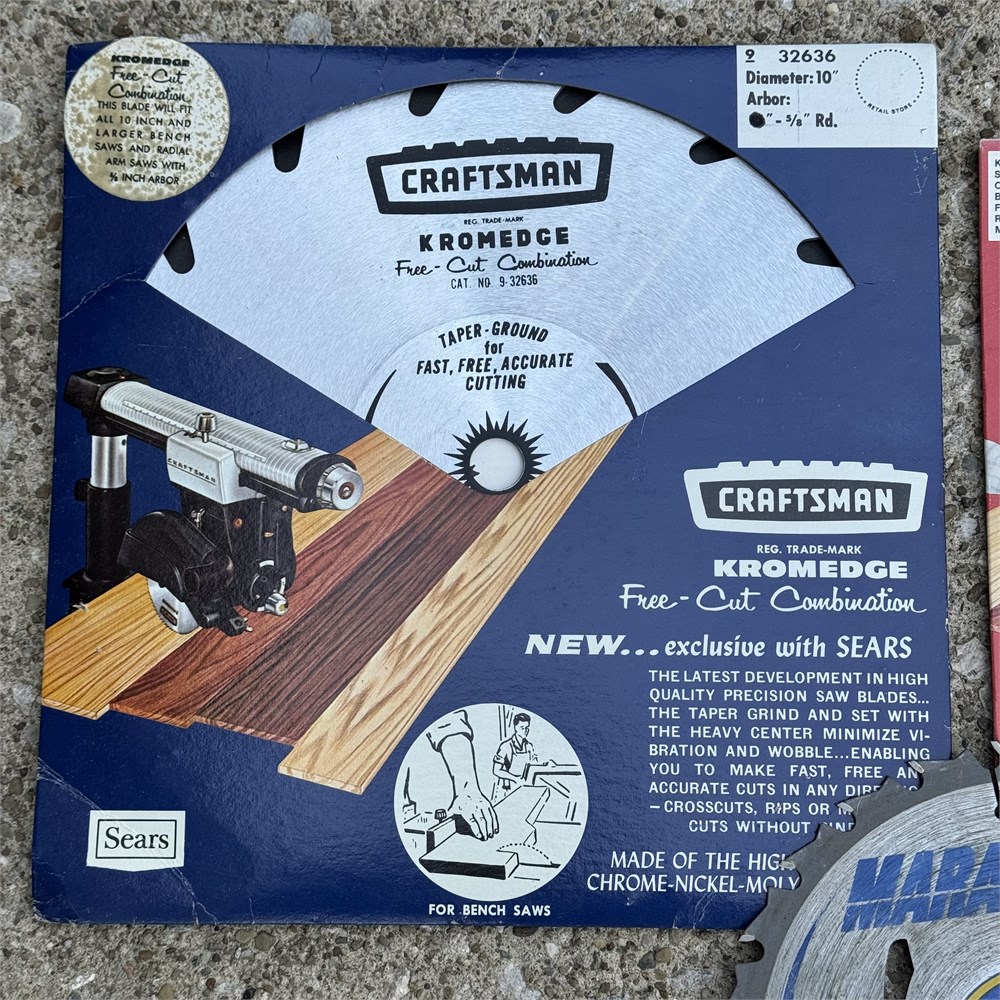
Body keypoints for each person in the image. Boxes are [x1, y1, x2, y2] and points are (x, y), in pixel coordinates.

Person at [492, 712, 538, 801]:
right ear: (515, 727)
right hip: (508, 789)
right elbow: (496, 770)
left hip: (526, 788)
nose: (525, 731)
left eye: (527, 728)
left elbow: (534, 766)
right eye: (522, 728)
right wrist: (515, 779)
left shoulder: (529, 746)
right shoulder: (506, 746)